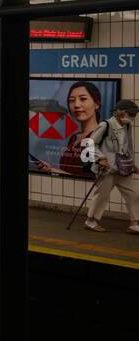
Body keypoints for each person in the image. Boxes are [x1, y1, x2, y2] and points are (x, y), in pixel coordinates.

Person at [84, 99, 139, 234]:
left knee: (133, 194)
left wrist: (132, 164)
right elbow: (91, 144)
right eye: (131, 114)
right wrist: (101, 158)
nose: (133, 117)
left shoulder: (127, 126)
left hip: (122, 167)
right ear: (121, 113)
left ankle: (134, 223)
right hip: (107, 168)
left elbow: (127, 147)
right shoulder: (106, 125)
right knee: (102, 195)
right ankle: (91, 221)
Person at [36, 81, 105, 178]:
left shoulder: (102, 136)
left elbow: (95, 178)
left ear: (97, 104)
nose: (76, 105)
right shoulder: (74, 138)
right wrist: (50, 169)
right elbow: (71, 172)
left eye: (83, 99)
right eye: (72, 100)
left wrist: (55, 171)